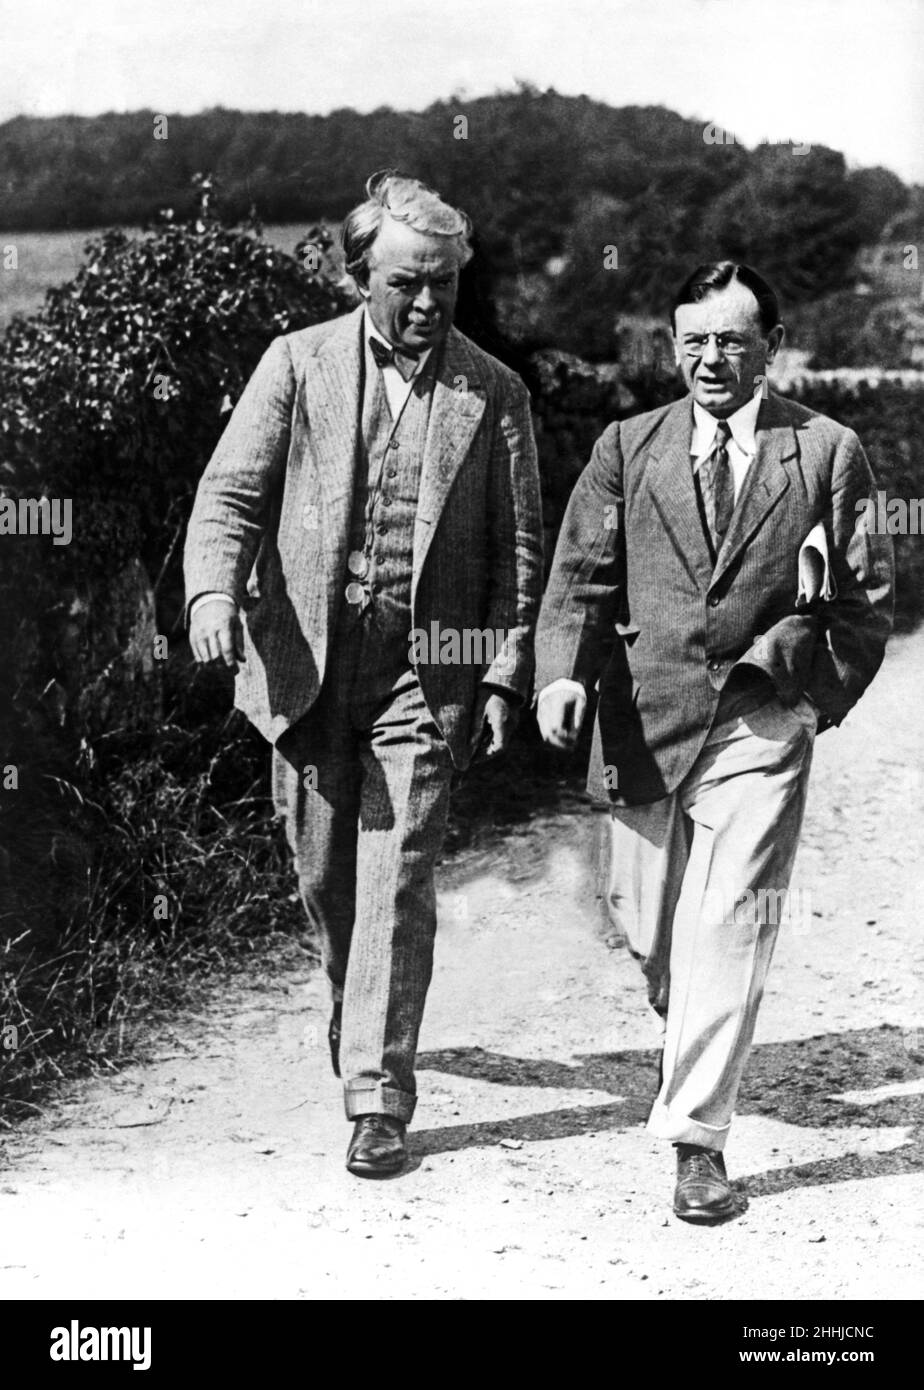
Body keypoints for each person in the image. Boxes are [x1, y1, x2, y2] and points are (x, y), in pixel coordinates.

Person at [184, 171, 543, 1176]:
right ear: (361, 275)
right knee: (323, 876)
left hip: (424, 678)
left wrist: (506, 668)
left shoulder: (492, 392)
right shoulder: (295, 367)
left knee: (397, 877)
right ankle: (354, 1004)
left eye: (443, 286)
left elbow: (521, 549)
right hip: (303, 669)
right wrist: (213, 596)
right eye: (405, 284)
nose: (427, 304)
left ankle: (378, 1096)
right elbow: (229, 497)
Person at [535, 261, 893, 1222]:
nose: (710, 359)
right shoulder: (627, 448)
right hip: (641, 721)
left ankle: (698, 1141)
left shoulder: (825, 452)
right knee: (648, 923)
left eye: (732, 340)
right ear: (673, 344)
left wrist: (813, 703)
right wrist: (563, 673)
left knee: (730, 918)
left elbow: (865, 606)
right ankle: (684, 1008)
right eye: (693, 339)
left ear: (769, 348)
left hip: (758, 718)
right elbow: (579, 578)